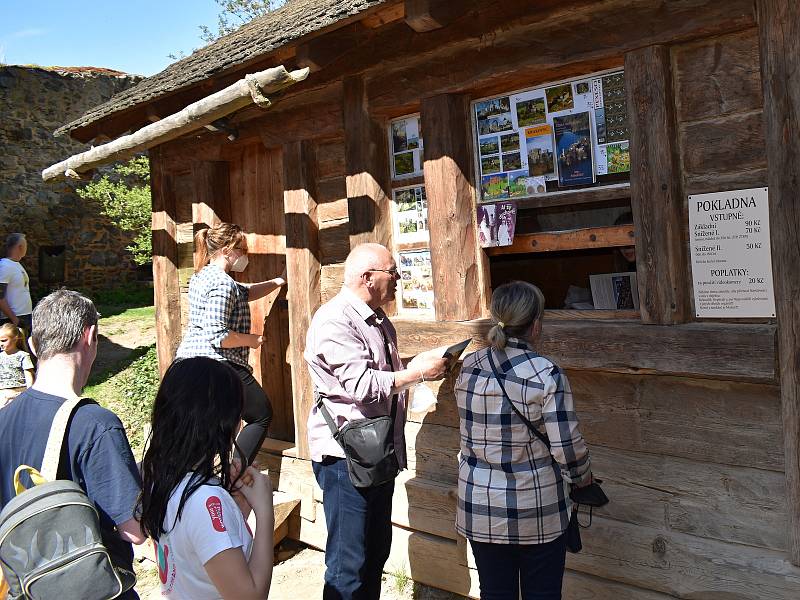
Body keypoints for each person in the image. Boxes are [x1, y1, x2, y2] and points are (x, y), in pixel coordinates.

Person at [305, 243, 449, 600]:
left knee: (375, 553)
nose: (399, 279)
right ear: (368, 278)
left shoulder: (377, 318)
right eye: (393, 272)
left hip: (376, 452)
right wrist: (416, 373)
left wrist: (422, 366)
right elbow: (364, 386)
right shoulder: (335, 319)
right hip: (345, 458)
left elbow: (383, 375)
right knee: (348, 563)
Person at [0, 289, 145, 599]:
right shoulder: (95, 424)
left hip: (27, 589)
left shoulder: (3, 419)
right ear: (90, 336)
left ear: (35, 346)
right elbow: (133, 531)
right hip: (93, 589)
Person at [454, 281, 593, 600]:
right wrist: (583, 480)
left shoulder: (470, 366)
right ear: (536, 324)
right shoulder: (546, 374)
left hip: (480, 504)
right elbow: (567, 448)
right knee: (542, 593)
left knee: (494, 592)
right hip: (536, 507)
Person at [137, 357, 274, 600]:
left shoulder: (163, 479)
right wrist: (265, 514)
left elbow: (198, 549)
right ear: (220, 421)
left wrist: (237, 509)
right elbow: (249, 597)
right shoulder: (205, 500)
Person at [176, 222, 286, 467]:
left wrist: (278, 281)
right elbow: (219, 335)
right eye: (242, 249)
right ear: (227, 251)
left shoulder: (202, 277)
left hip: (190, 364)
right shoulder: (222, 284)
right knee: (260, 414)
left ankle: (199, 477)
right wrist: (253, 340)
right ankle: (236, 473)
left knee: (209, 425)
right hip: (217, 364)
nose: (245, 255)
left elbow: (247, 291)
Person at [0, 233, 33, 336]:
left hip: (23, 316)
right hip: (13, 319)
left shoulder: (16, 264)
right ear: (20, 247)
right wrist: (14, 319)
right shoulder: (5, 266)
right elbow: (0, 296)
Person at [0, 322, 35, 408]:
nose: (1, 344)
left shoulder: (22, 355)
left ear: (15, 339)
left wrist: (28, 395)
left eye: (4, 340)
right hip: (2, 395)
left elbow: (29, 378)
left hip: (19, 394)